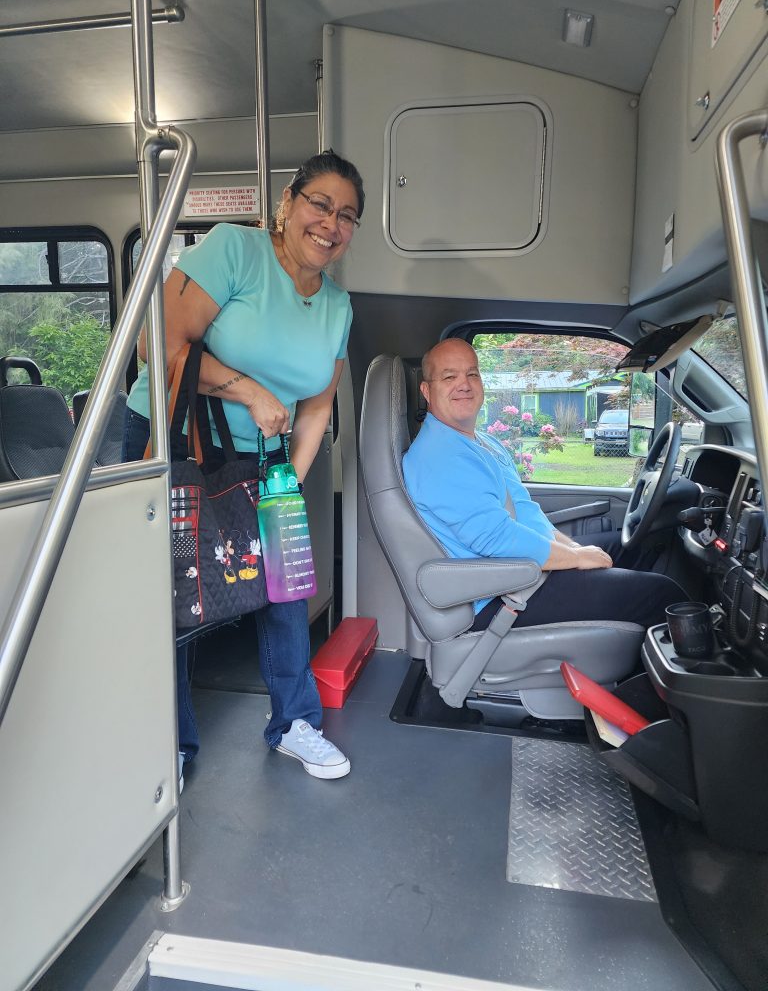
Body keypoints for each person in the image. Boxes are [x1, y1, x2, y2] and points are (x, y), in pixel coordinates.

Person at [122, 150, 365, 781]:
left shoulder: (337, 307)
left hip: (267, 458)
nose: (330, 224)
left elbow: (316, 408)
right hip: (174, 444)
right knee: (175, 593)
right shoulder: (236, 251)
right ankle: (169, 741)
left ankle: (295, 724)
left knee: (287, 588)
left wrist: (289, 482)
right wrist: (248, 389)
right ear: (288, 203)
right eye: (320, 204)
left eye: (346, 216)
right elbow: (156, 346)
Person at [403, 338, 686, 633]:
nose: (464, 384)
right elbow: (495, 539)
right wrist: (575, 558)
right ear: (426, 390)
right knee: (661, 595)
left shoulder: (481, 443)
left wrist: (574, 549)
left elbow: (524, 511)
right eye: (450, 376)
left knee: (644, 545)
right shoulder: (438, 456)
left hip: (524, 572)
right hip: (499, 596)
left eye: (472, 374)